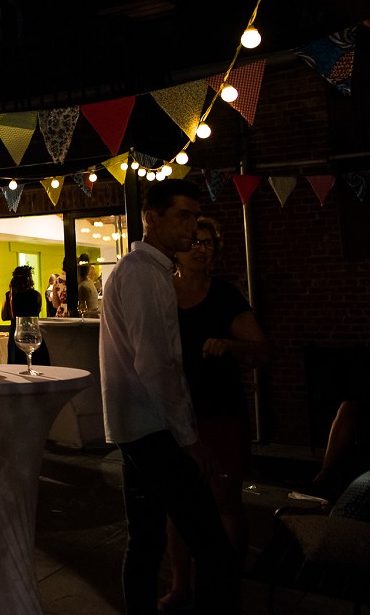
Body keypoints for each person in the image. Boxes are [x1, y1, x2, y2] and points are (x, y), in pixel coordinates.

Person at [99, 179, 240, 615]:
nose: (192, 227)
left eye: (195, 217)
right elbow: (156, 363)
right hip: (155, 427)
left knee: (145, 538)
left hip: (138, 424)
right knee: (210, 544)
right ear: (151, 219)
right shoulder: (143, 273)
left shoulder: (146, 271)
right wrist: (189, 437)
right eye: (182, 216)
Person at [158, 217, 269, 613]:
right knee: (179, 503)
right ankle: (180, 586)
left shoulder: (225, 296)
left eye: (208, 242)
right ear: (177, 249)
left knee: (224, 500)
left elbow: (260, 350)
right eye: (193, 242)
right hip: (176, 411)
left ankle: (227, 581)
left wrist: (230, 344)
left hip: (221, 410)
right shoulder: (162, 294)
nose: (201, 248)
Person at [1, 265, 46, 365]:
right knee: (37, 363)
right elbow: (38, 310)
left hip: (16, 333)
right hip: (32, 334)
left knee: (16, 364)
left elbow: (3, 316)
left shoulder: (9, 296)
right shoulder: (36, 295)